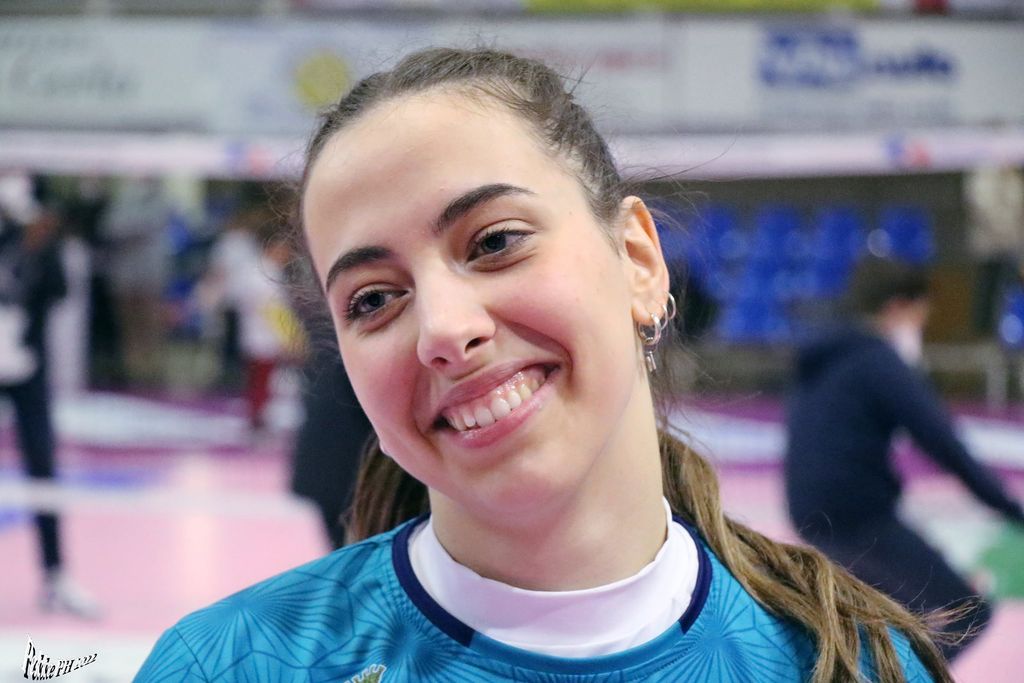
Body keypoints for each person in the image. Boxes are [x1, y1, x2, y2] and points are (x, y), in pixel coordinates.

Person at [137, 48, 951, 682]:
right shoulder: (229, 665)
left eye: (495, 241)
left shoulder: (854, 664)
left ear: (638, 261)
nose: (444, 330)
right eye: (374, 299)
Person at [785, 255, 1024, 663]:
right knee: (967, 612)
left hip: (810, 514)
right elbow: (945, 445)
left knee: (893, 623)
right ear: (898, 307)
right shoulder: (878, 361)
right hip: (858, 517)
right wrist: (1011, 509)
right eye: (919, 318)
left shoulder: (827, 357)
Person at [0, 173, 99, 618]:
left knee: (43, 465)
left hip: (27, 368)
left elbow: (60, 291)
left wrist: (38, 242)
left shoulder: (40, 234)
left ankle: (56, 574)